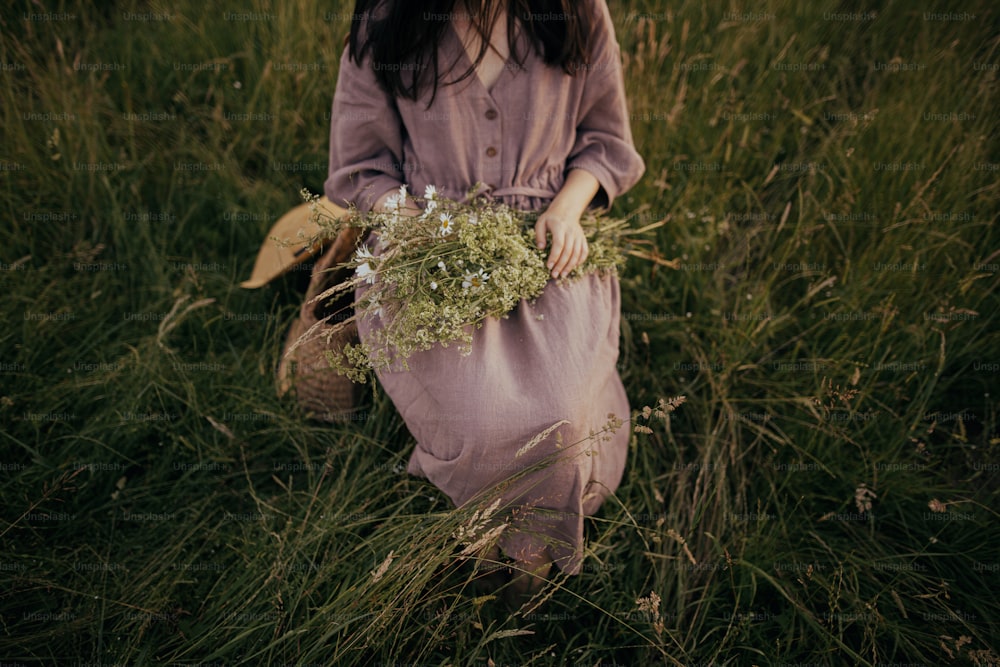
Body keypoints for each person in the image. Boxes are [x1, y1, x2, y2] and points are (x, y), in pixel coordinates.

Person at [322, 0, 644, 600]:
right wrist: (416, 230)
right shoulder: (388, 21)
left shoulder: (576, 11)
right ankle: (504, 545)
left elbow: (605, 140)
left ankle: (516, 540)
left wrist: (567, 211)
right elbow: (361, 168)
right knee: (483, 420)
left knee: (564, 421)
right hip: (428, 245)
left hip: (546, 243)